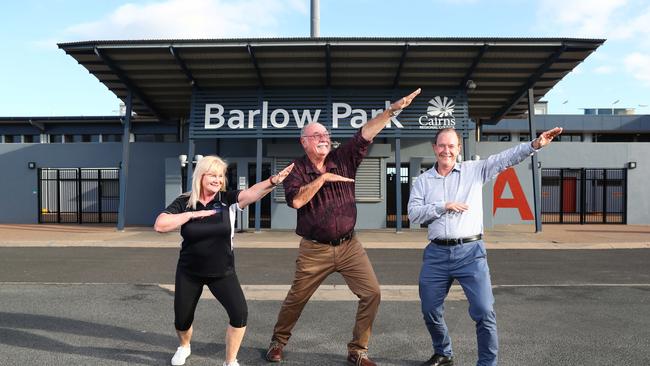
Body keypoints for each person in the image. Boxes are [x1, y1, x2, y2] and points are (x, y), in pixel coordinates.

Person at [265, 88, 421, 366]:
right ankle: (278, 341)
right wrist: (323, 179)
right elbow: (297, 201)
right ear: (304, 142)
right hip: (315, 250)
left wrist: (392, 110)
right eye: (317, 136)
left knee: (372, 293)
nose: (324, 139)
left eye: (325, 135)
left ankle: (357, 350)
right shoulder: (297, 169)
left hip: (350, 246)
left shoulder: (343, 158)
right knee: (296, 299)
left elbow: (365, 133)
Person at [408, 126, 563, 366]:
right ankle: (443, 351)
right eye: (441, 145)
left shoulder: (474, 170)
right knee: (429, 309)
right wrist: (443, 206)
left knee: (484, 310)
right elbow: (414, 214)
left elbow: (505, 159)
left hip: (471, 253)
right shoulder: (423, 181)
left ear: (459, 149)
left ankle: (487, 363)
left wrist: (534, 145)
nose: (446, 150)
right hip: (436, 254)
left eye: (451, 146)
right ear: (434, 148)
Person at [154, 155, 294, 366]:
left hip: (222, 271)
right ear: (201, 176)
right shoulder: (184, 202)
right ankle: (184, 346)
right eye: (212, 175)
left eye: (220, 176)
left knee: (239, 314)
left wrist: (272, 181)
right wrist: (191, 216)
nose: (218, 179)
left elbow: (252, 193)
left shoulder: (226, 200)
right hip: (189, 271)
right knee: (182, 320)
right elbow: (160, 225)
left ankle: (230, 361)